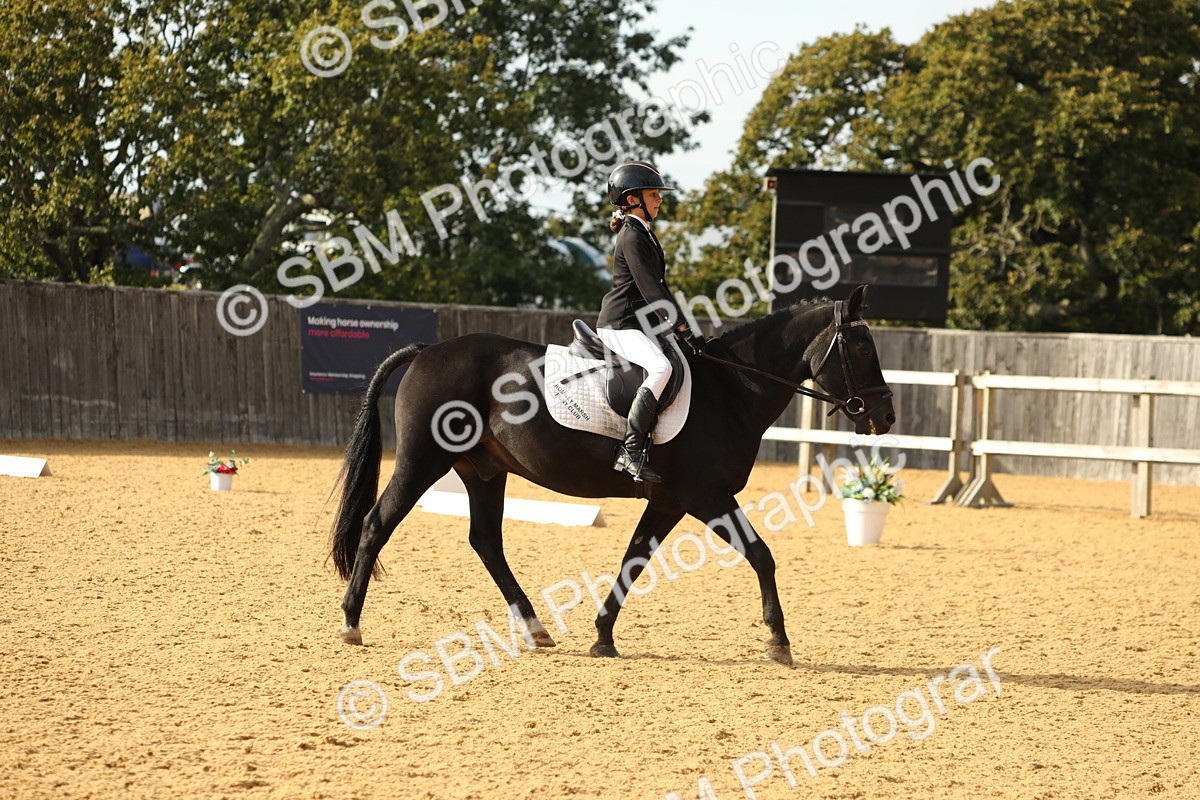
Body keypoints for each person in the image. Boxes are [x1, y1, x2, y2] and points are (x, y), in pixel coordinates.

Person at [596, 160, 705, 483]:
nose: (659, 200)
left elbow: (661, 287)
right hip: (620, 323)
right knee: (661, 368)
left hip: (638, 322)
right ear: (632, 200)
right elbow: (651, 288)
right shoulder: (631, 236)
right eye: (654, 194)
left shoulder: (643, 232)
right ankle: (630, 451)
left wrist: (684, 327)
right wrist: (682, 327)